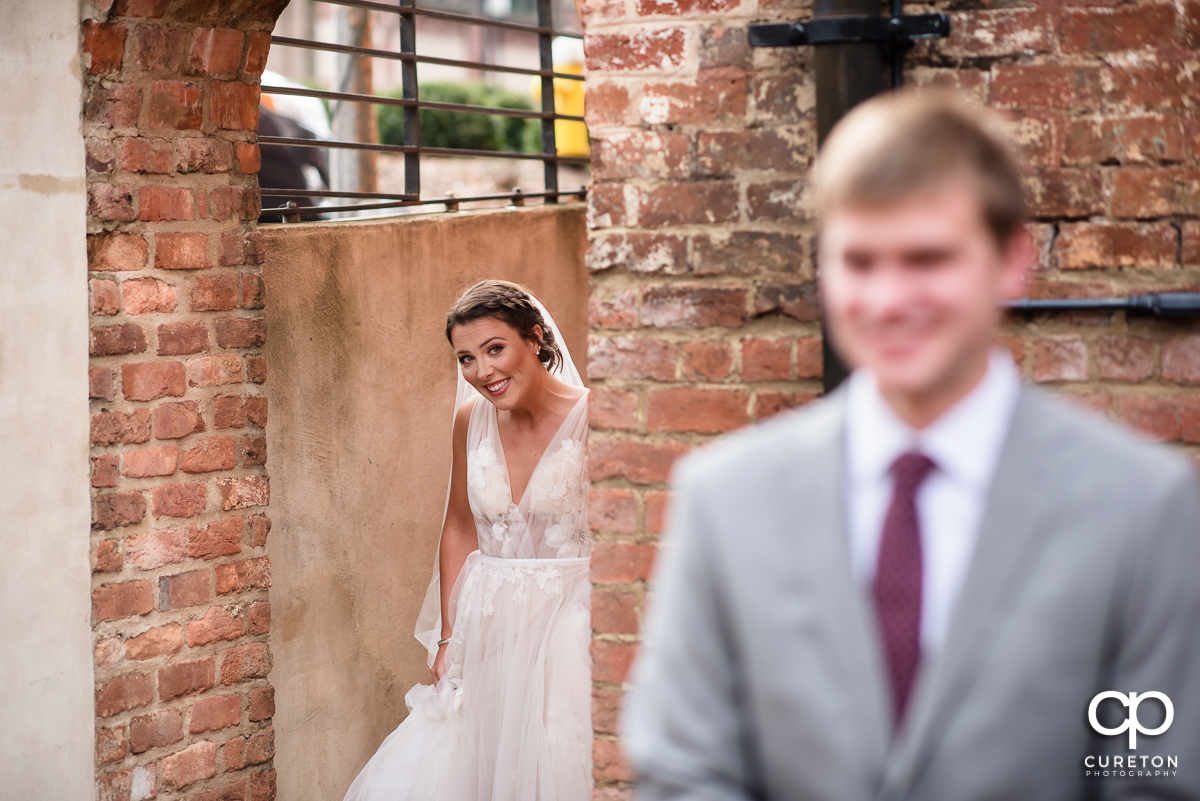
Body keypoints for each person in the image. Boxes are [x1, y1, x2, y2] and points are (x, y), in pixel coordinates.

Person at [623, 92, 1200, 800]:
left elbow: (1156, 780)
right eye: (859, 262)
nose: (890, 299)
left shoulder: (1142, 505)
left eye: (927, 258)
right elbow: (682, 775)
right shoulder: (725, 496)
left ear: (1011, 259)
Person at [344, 280, 593, 801]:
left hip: (571, 626)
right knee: (477, 761)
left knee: (555, 760)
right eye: (466, 359)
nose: (483, 373)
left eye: (494, 349)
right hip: (490, 625)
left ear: (536, 338)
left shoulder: (595, 418)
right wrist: (448, 635)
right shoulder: (469, 421)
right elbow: (458, 524)